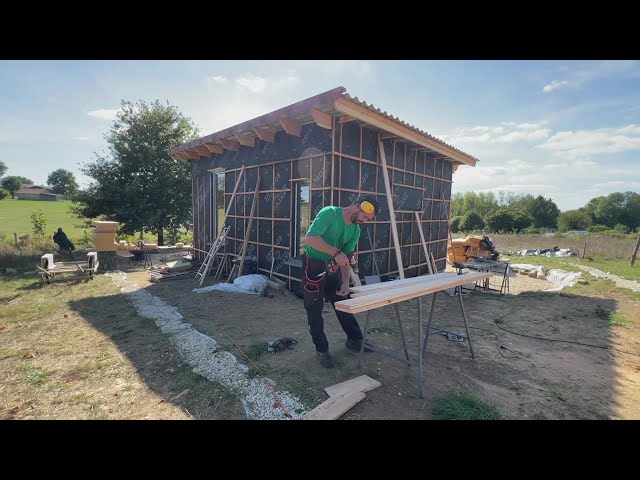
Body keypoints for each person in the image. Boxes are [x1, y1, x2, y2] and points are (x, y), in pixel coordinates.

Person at [302, 195, 381, 368]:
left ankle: (354, 340)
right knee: (314, 308)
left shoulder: (355, 230)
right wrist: (336, 253)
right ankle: (322, 350)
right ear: (359, 207)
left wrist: (346, 283)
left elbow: (347, 258)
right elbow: (311, 238)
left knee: (343, 302)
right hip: (314, 264)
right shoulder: (329, 213)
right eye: (365, 217)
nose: (365, 221)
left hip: (333, 267)